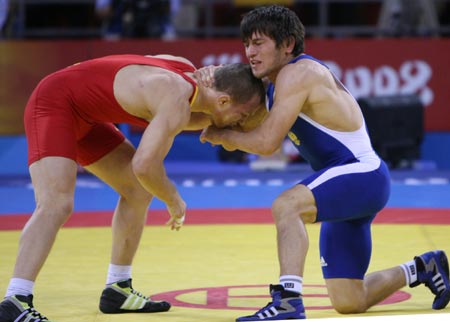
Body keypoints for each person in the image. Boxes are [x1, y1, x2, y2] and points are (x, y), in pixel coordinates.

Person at [199, 5, 450, 321]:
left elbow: (265, 142)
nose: (250, 51)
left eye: (259, 42)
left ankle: (288, 300)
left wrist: (224, 136)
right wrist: (207, 82)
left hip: (361, 174)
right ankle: (423, 267)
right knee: (349, 299)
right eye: (247, 43)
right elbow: (234, 106)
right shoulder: (275, 83)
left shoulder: (298, 73)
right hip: (351, 183)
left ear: (287, 44)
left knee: (287, 206)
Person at [0, 54, 265, 322]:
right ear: (222, 100)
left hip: (87, 116)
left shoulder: (184, 73)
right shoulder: (175, 98)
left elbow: (200, 118)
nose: (241, 122)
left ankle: (118, 288)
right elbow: (145, 165)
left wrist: (225, 126)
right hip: (54, 103)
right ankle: (15, 300)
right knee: (56, 203)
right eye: (242, 115)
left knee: (138, 191)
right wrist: (173, 198)